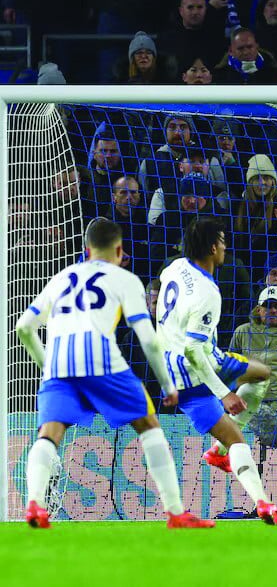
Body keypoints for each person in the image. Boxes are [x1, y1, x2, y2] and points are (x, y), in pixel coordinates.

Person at [15, 218, 213, 528]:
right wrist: (167, 383)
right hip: (102, 361)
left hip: (59, 365)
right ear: (119, 250)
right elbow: (147, 337)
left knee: (49, 433)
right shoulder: (124, 279)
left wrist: (48, 367)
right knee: (148, 425)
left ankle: (34, 506)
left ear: (86, 249)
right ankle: (175, 513)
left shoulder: (62, 277)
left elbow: (24, 327)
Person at [155, 218, 277, 525]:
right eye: (223, 242)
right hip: (193, 371)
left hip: (179, 362)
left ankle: (216, 451)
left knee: (261, 373)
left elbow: (165, 287)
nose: (226, 247)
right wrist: (225, 393)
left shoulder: (174, 267)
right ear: (213, 247)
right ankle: (263, 503)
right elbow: (192, 350)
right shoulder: (207, 292)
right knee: (237, 440)